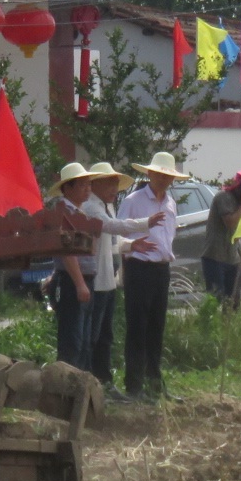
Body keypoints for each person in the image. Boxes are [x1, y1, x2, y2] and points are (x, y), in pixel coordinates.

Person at [77, 161, 153, 392]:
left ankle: (103, 381)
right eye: (110, 183)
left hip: (108, 280)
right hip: (97, 281)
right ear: (95, 184)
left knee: (104, 335)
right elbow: (111, 226)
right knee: (94, 336)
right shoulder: (92, 207)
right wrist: (145, 223)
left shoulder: (106, 205)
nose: (114, 189)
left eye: (116, 184)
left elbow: (112, 241)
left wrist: (130, 245)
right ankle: (92, 381)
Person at [119, 151, 186, 402]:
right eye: (159, 174)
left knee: (156, 328)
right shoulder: (133, 201)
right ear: (150, 174)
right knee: (138, 327)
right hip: (139, 268)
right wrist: (128, 255)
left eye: (168, 176)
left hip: (161, 269)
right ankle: (134, 385)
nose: (164, 179)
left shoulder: (170, 204)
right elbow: (118, 233)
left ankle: (155, 383)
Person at [46, 163, 95, 369]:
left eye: (88, 185)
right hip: (72, 280)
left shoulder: (80, 212)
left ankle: (79, 381)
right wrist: (79, 283)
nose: (88, 189)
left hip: (84, 279)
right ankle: (66, 380)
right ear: (67, 188)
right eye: (82, 185)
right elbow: (67, 252)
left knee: (83, 339)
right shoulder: (64, 212)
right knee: (72, 339)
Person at [203, 164, 241, 307]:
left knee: (233, 302)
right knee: (215, 301)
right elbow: (231, 223)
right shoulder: (224, 197)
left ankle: (229, 321)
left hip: (233, 258)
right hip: (215, 257)